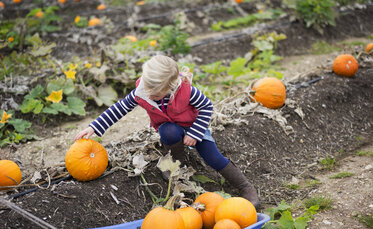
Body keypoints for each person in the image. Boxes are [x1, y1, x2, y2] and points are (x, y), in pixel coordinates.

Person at [74, 55, 260, 209]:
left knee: (213, 157)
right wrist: (94, 127)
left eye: (155, 94)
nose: (148, 94)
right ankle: (176, 162)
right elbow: (119, 109)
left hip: (195, 125)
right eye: (146, 88)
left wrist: (195, 133)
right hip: (170, 127)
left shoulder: (186, 90)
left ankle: (245, 187)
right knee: (168, 132)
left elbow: (206, 107)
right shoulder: (142, 90)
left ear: (170, 86)